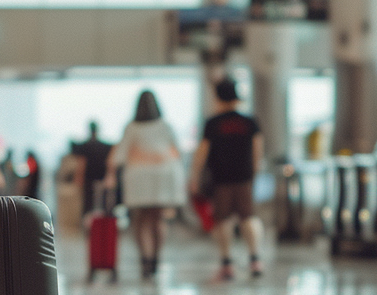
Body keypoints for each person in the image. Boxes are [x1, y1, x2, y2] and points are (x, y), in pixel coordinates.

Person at [104, 90, 186, 279]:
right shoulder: (166, 126)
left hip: (138, 177)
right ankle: (157, 258)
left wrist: (111, 174)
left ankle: (145, 260)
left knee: (141, 221)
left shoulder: (132, 127)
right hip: (163, 176)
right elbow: (177, 152)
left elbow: (119, 155)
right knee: (158, 219)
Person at [190, 78, 265, 281]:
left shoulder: (213, 123)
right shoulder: (250, 121)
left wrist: (194, 176)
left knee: (222, 221)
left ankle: (227, 263)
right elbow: (258, 149)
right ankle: (255, 259)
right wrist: (254, 173)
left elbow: (202, 152)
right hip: (244, 178)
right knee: (248, 217)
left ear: (218, 97)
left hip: (221, 178)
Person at [75, 121, 113, 214]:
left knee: (88, 204)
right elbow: (109, 163)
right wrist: (110, 176)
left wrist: (79, 178)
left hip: (89, 178)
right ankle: (100, 226)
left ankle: (89, 226)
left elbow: (82, 164)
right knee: (103, 205)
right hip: (102, 177)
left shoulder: (85, 146)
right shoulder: (105, 146)